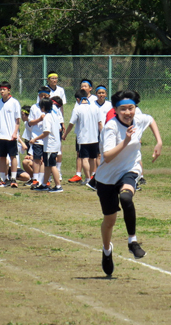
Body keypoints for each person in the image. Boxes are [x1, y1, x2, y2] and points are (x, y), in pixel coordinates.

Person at [96, 90, 162, 276]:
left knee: (126, 198)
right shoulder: (111, 128)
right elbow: (107, 157)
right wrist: (125, 141)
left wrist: (159, 142)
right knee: (109, 221)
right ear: (115, 110)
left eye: (131, 108)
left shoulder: (139, 118)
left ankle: (132, 241)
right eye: (123, 109)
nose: (128, 112)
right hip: (106, 178)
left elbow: (150, 120)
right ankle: (107, 250)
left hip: (129, 170)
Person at [63, 89, 102, 189]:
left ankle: (88, 179)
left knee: (84, 158)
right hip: (94, 137)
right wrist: (102, 135)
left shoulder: (77, 109)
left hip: (83, 138)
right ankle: (94, 177)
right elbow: (100, 123)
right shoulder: (95, 107)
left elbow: (71, 124)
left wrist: (65, 134)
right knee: (93, 158)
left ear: (78, 99)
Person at [0, 81, 21, 188]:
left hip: (11, 136)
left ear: (9, 90)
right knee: (2, 157)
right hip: (1, 135)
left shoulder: (14, 103)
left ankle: (13, 178)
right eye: (1, 89)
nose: (2, 91)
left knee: (13, 156)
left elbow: (18, 120)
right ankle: (2, 178)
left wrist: (14, 133)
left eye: (4, 89)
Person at [30, 98, 63, 193]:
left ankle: (58, 186)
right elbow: (60, 129)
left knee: (52, 166)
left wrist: (35, 139)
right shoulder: (54, 115)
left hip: (50, 145)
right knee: (47, 165)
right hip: (55, 144)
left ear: (43, 107)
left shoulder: (47, 117)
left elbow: (46, 132)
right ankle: (44, 184)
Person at [28, 87, 50, 189]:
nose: (43, 98)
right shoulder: (34, 107)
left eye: (45, 96)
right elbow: (30, 122)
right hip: (36, 137)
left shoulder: (52, 108)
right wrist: (39, 119)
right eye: (41, 96)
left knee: (45, 160)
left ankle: (43, 180)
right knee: (36, 159)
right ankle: (35, 179)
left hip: (48, 138)